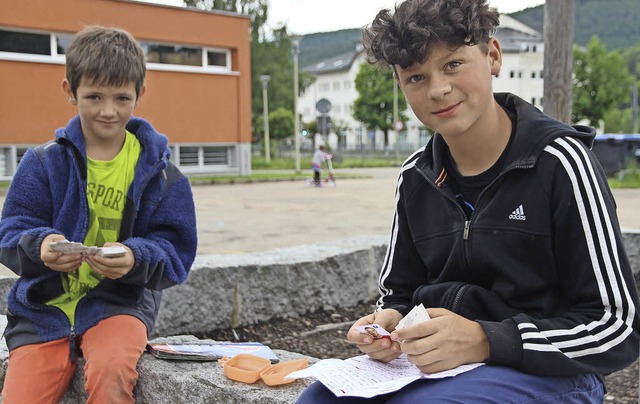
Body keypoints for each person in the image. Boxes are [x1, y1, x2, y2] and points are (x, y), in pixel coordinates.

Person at [298, 0, 640, 402]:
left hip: (553, 372)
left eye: (453, 64)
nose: (438, 89)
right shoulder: (416, 176)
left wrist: (486, 340)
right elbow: (399, 294)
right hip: (441, 368)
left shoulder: (560, 162)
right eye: (416, 77)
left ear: (492, 56)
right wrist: (388, 324)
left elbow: (616, 326)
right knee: (317, 398)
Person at [0, 26, 197, 403]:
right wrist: (41, 247)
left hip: (119, 308)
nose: (109, 111)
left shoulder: (163, 175)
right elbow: (10, 230)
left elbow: (176, 253)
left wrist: (136, 258)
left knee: (111, 373)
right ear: (69, 91)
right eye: (94, 96)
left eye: (122, 97)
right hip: (42, 313)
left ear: (140, 93)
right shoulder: (42, 163)